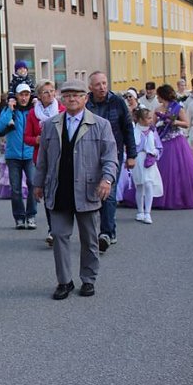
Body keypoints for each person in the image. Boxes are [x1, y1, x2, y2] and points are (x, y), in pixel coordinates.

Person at [33, 79, 118, 300]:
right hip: (59, 188)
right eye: (68, 95)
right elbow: (43, 158)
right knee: (60, 236)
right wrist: (38, 183)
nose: (72, 99)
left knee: (89, 238)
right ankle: (64, 281)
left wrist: (107, 180)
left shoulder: (100, 124)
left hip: (88, 190)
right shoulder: (51, 125)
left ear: (85, 98)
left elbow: (110, 157)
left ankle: (88, 279)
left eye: (77, 95)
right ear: (62, 98)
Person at [85, 71, 135, 252]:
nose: (102, 87)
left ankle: (106, 233)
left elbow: (127, 128)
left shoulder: (117, 102)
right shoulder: (86, 104)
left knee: (109, 191)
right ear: (90, 87)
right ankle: (103, 229)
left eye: (104, 83)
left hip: (113, 153)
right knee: (93, 192)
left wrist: (132, 155)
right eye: (98, 84)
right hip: (90, 154)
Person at [25, 80, 64, 246]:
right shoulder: (33, 114)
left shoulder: (62, 110)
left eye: (52, 91)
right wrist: (37, 140)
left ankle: (62, 227)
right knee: (49, 196)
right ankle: (52, 229)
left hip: (62, 158)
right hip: (42, 159)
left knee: (61, 194)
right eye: (46, 92)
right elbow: (26, 137)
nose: (50, 94)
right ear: (39, 96)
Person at [151, 84, 193, 210]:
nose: (157, 97)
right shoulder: (158, 108)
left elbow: (186, 123)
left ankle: (178, 197)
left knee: (177, 169)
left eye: (158, 95)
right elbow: (152, 124)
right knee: (162, 169)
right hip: (162, 140)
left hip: (175, 140)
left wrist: (173, 121)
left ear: (163, 95)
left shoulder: (178, 108)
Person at [0, 83, 36, 229]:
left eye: (26, 95)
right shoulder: (10, 111)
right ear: (16, 96)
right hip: (13, 156)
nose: (24, 98)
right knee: (16, 188)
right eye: (21, 95)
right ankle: (19, 217)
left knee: (32, 184)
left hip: (30, 154)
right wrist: (9, 110)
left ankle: (31, 215)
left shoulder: (33, 111)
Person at [130, 108, 163, 225]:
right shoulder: (133, 131)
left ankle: (148, 212)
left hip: (149, 160)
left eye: (150, 118)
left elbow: (159, 146)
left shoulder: (152, 132)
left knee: (149, 184)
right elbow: (130, 146)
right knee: (139, 185)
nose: (150, 120)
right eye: (148, 118)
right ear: (139, 119)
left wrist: (154, 154)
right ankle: (140, 211)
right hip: (138, 160)